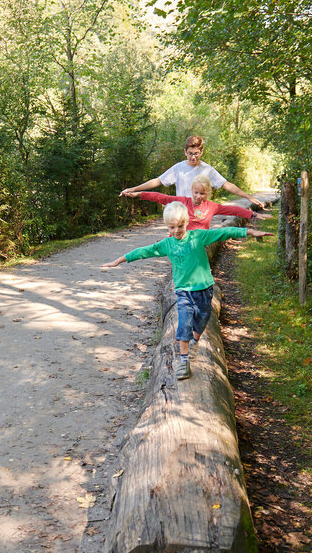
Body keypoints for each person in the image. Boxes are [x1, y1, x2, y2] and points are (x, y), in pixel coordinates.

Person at [100, 201, 273, 380]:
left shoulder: (198, 236)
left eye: (180, 226)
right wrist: (119, 261)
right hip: (183, 292)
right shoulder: (167, 244)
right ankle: (183, 362)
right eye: (172, 227)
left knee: (202, 319)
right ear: (167, 226)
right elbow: (144, 251)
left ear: (187, 222)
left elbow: (224, 232)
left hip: (204, 289)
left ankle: (195, 341)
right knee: (184, 324)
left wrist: (250, 232)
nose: (176, 230)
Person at [120, 135, 267, 211]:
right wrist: (134, 189)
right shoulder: (178, 168)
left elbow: (226, 185)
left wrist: (248, 197)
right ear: (185, 152)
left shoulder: (207, 169)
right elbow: (158, 181)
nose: (193, 157)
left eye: (196, 153)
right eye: (190, 153)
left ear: (202, 152)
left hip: (199, 214)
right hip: (179, 213)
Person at [122, 174, 272, 231]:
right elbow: (160, 197)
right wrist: (138, 194)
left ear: (207, 193)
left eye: (202, 193)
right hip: (181, 241)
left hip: (200, 244)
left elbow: (233, 210)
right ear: (191, 191)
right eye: (196, 192)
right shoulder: (183, 201)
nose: (199, 196)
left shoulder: (212, 206)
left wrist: (252, 215)